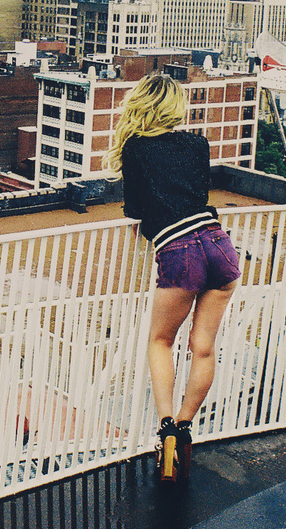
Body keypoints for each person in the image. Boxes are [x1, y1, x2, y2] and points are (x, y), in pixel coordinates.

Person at [104, 73, 241, 483]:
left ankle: (165, 430)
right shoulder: (197, 144)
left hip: (180, 252)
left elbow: (137, 209)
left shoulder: (136, 148)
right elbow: (197, 196)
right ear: (174, 106)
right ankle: (184, 426)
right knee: (203, 348)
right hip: (219, 245)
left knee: (161, 341)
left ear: (141, 103)